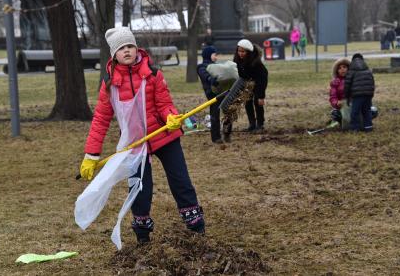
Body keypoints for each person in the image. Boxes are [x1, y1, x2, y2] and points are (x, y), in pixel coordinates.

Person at [79, 27, 205, 245]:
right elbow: (100, 120)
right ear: (114, 55)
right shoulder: (109, 86)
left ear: (136, 49)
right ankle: (143, 235)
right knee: (139, 188)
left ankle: (196, 227)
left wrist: (171, 118)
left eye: (130, 46)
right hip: (135, 143)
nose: (127, 51)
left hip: (164, 135)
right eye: (121, 48)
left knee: (180, 180)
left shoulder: (153, 74)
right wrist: (91, 154)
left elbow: (165, 104)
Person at [233, 39, 268, 133]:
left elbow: (262, 80)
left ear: (248, 52)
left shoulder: (256, 63)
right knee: (248, 102)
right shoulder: (237, 61)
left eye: (243, 51)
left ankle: (260, 125)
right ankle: (252, 124)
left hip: (259, 82)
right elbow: (239, 75)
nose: (240, 53)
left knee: (257, 102)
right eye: (239, 51)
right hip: (247, 83)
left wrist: (261, 96)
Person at [197, 45, 225, 144]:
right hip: (212, 94)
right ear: (208, 55)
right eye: (214, 55)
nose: (216, 57)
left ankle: (225, 132)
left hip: (220, 91)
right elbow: (204, 75)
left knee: (226, 111)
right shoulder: (201, 67)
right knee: (215, 114)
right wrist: (211, 79)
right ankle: (216, 137)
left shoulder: (215, 65)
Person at [344, 53, 375, 132]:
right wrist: (371, 94)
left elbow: (347, 84)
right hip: (368, 94)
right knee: (367, 111)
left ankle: (355, 128)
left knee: (355, 112)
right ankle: (368, 127)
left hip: (357, 95)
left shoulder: (351, 69)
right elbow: (372, 82)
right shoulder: (367, 69)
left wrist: (347, 96)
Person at [329, 58, 350, 124]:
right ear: (337, 71)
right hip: (342, 106)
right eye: (339, 68)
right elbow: (333, 96)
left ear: (349, 68)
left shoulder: (354, 80)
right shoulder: (335, 82)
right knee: (335, 114)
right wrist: (336, 103)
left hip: (354, 104)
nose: (342, 69)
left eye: (344, 67)